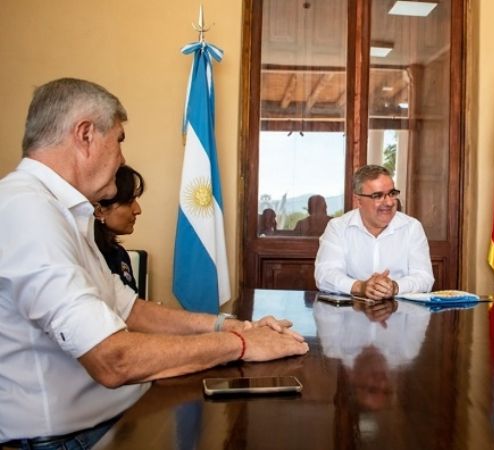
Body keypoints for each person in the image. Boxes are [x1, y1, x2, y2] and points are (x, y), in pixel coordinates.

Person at [0, 78, 309, 446]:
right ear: (84, 135)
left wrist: (230, 325)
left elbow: (131, 310)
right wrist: (241, 344)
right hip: (69, 439)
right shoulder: (26, 209)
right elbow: (112, 358)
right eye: (118, 140)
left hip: (116, 414)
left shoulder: (62, 210)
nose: (122, 157)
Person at [314, 165, 434, 300]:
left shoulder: (412, 227)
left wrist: (395, 287)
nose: (389, 202)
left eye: (392, 193)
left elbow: (424, 278)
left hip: (401, 314)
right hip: (351, 315)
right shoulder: (338, 227)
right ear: (358, 201)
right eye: (378, 196)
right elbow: (325, 275)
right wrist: (361, 287)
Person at [94, 164, 145, 294]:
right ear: (99, 211)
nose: (138, 210)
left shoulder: (118, 253)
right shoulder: (89, 255)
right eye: (129, 202)